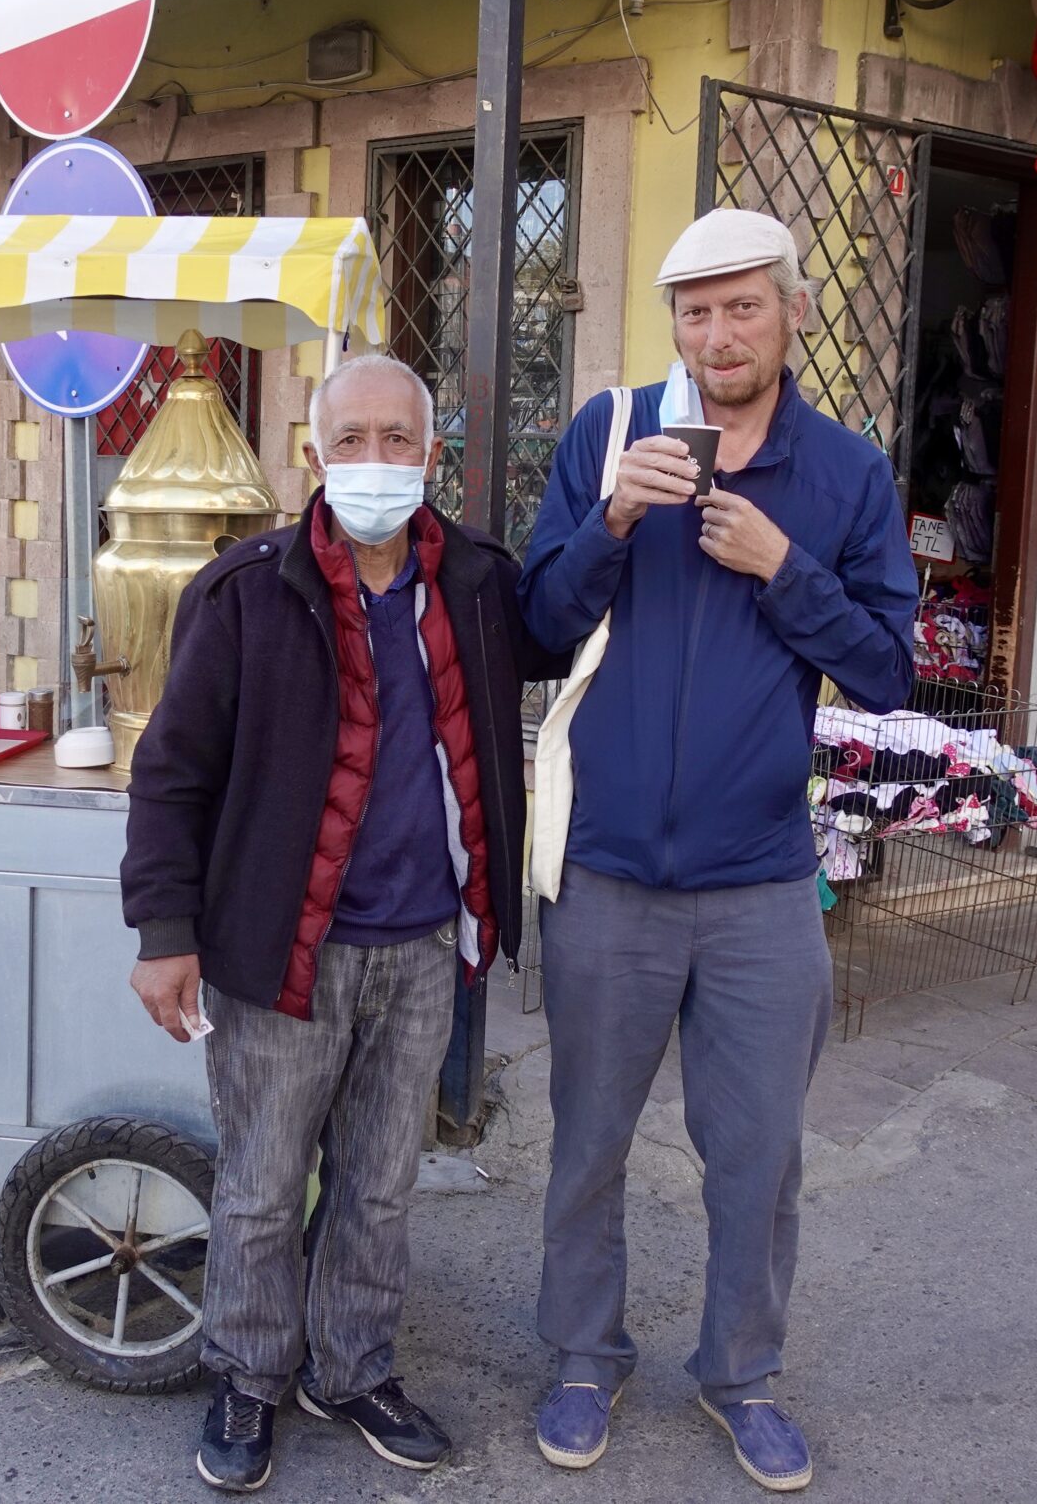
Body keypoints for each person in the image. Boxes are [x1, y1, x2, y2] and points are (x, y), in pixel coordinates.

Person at [518, 208, 917, 1492]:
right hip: (607, 872)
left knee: (757, 1152)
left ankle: (739, 1374)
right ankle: (584, 1354)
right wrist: (610, 526)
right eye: (695, 310)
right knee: (587, 1140)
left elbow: (888, 667)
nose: (717, 333)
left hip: (757, 881)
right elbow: (532, 624)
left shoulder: (844, 474)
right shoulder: (610, 434)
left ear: (792, 313)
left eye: (744, 306)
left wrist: (784, 567)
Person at [122, 354, 548, 1493]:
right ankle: (247, 1376)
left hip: (419, 947)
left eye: (395, 440)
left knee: (379, 1180)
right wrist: (165, 932)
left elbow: (562, 625)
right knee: (262, 1184)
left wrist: (610, 517)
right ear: (311, 457)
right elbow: (171, 772)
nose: (373, 461)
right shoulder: (245, 591)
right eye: (350, 439)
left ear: (431, 455)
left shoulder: (471, 583)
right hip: (280, 947)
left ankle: (351, 1367)